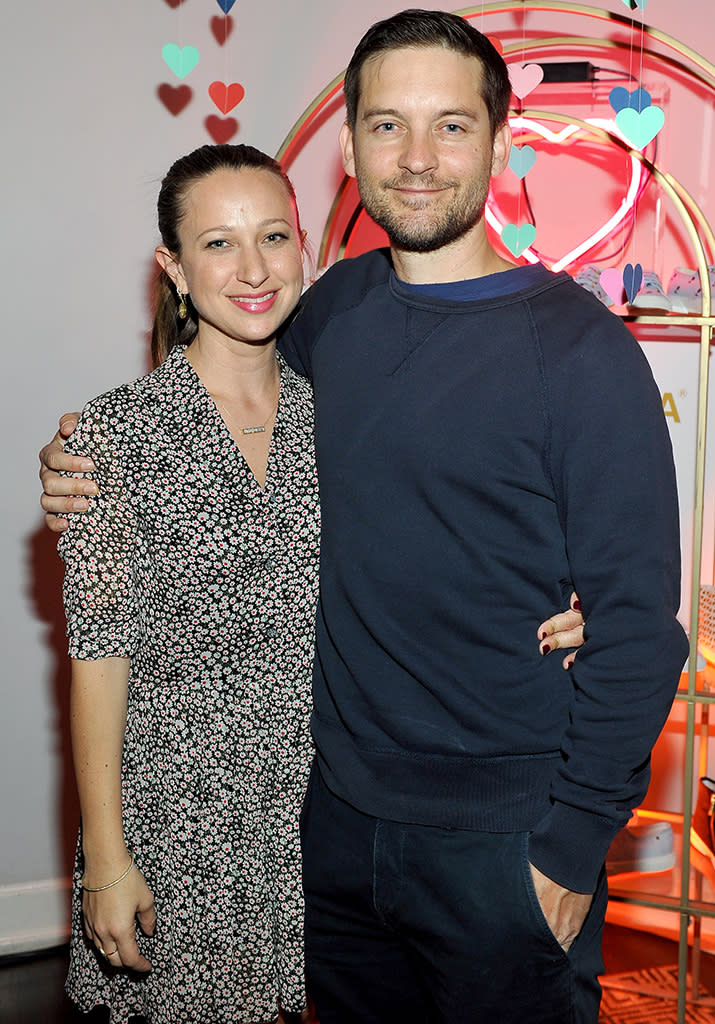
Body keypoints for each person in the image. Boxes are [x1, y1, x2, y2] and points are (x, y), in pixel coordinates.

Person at [37, 9, 674, 1023]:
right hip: (329, 828)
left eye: (451, 126)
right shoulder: (327, 317)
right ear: (349, 149)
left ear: (503, 142)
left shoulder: (582, 352)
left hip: (501, 843)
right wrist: (77, 464)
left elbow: (642, 630)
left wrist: (566, 848)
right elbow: (208, 420)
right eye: (386, 126)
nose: (416, 158)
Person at [52, 143, 320, 1024]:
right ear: (172, 266)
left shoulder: (341, 418)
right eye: (217, 243)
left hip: (316, 819)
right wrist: (106, 859)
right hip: (177, 830)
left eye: (272, 236)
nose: (252, 269)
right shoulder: (111, 439)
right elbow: (97, 658)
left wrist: (552, 599)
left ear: (303, 245)